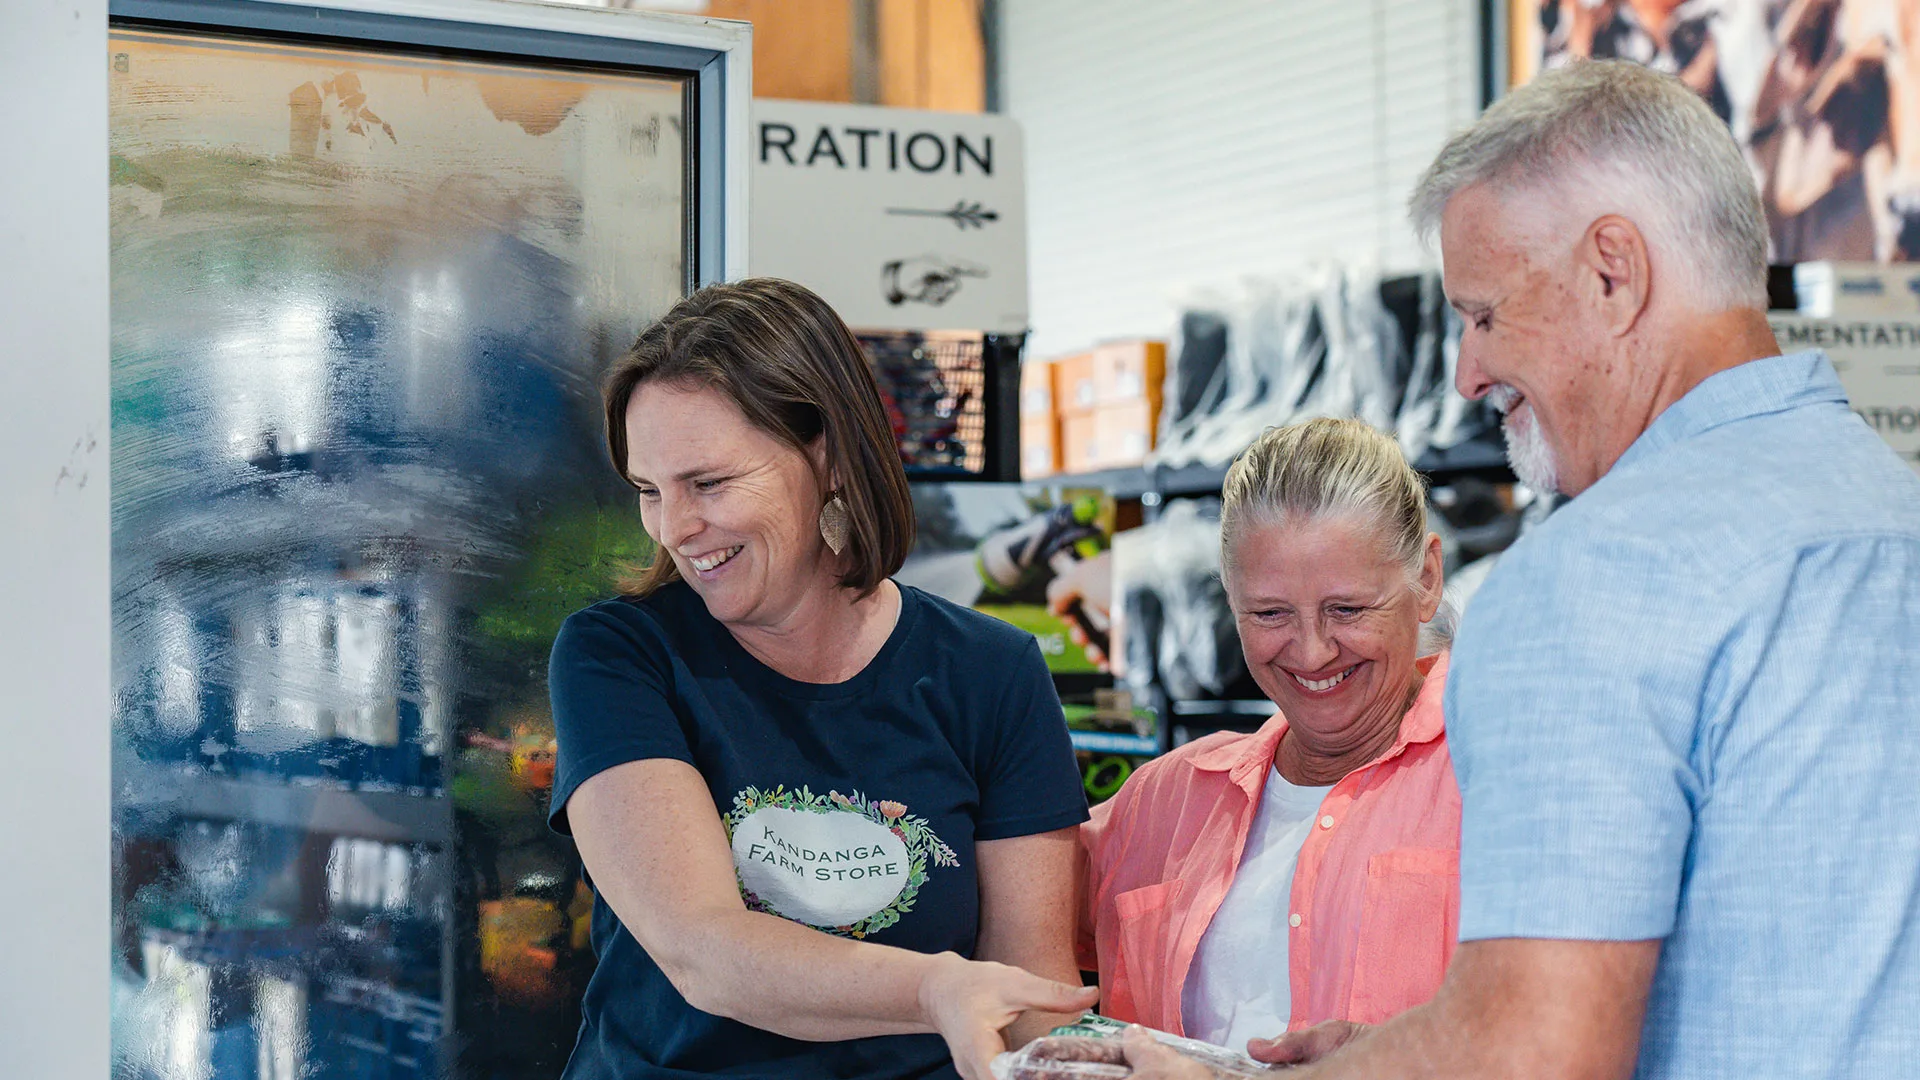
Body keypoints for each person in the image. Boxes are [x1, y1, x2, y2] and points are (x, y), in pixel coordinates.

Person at [1120, 58, 1920, 1080]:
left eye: (1484, 313)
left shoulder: (1591, 581)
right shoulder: (1889, 515)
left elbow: (1537, 1054)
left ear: (1612, 272)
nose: (1465, 372)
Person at [546, 277, 1098, 1080]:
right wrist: (937, 988)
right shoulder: (619, 657)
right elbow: (704, 951)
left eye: (709, 483)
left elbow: (1031, 1005)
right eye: (649, 492)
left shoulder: (992, 672)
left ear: (829, 457)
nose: (676, 527)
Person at [1076, 418, 1459, 1056]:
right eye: (1270, 613)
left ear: (1426, 578)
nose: (1311, 651)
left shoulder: (1502, 781)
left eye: (1348, 609)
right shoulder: (1162, 801)